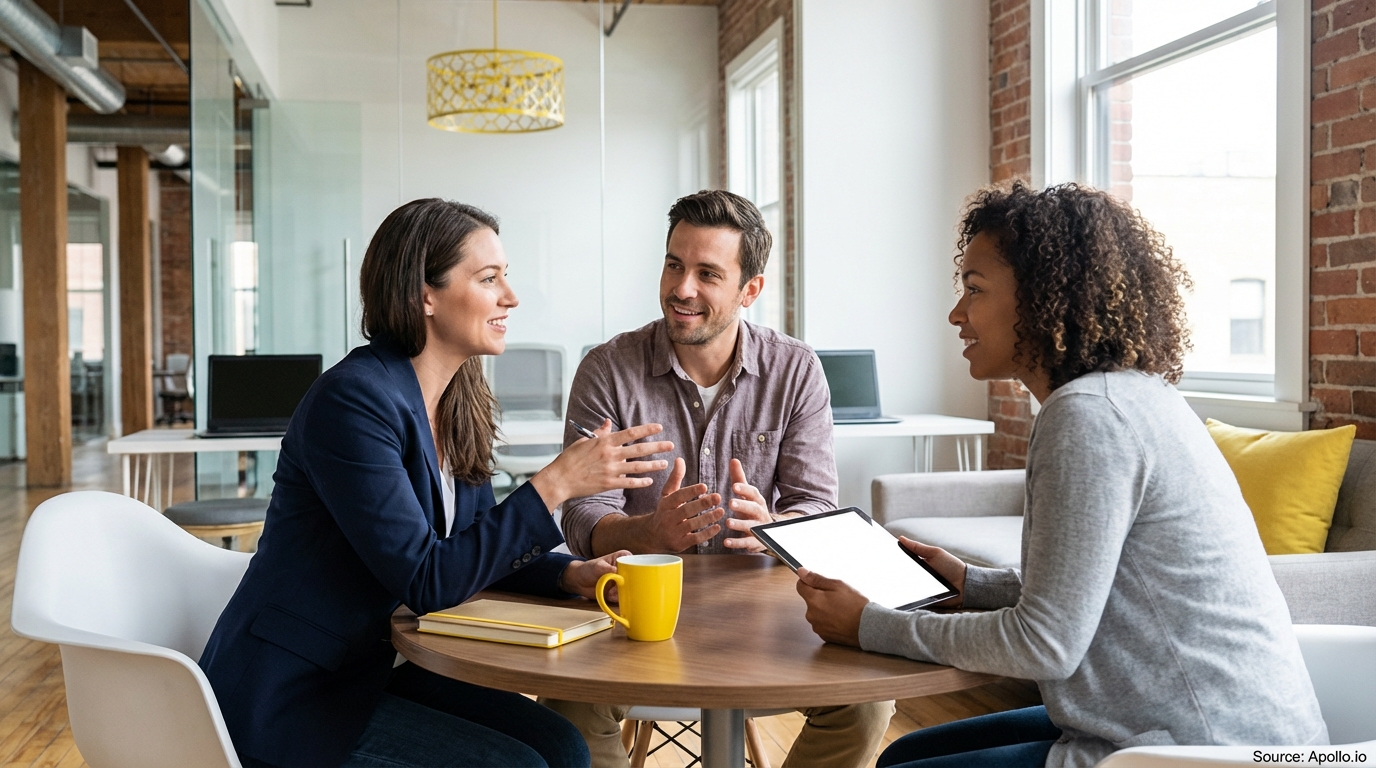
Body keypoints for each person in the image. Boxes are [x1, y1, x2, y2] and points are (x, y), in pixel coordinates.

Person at [793, 182, 1328, 768]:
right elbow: (1094, 586)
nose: (956, 313)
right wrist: (970, 584)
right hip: (1211, 728)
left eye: (974, 290)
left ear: (1045, 296)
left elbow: (1044, 644)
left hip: (1194, 750)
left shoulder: (1088, 417)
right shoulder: (1132, 396)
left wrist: (869, 625)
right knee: (908, 755)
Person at [199, 199, 675, 768]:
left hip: (380, 666)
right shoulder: (352, 402)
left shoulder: (457, 400)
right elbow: (429, 577)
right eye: (489, 278)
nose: (510, 297)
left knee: (564, 746)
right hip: (300, 691)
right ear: (425, 295)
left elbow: (473, 545)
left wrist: (571, 575)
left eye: (507, 277)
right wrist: (554, 484)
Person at [543, 190, 894, 768]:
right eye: (674, 265)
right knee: (568, 705)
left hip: (761, 608)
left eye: (708, 273)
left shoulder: (795, 369)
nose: (682, 288)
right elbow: (581, 519)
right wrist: (649, 533)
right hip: (635, 611)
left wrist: (777, 528)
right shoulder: (607, 369)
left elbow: (815, 507)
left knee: (868, 700)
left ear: (749, 289)